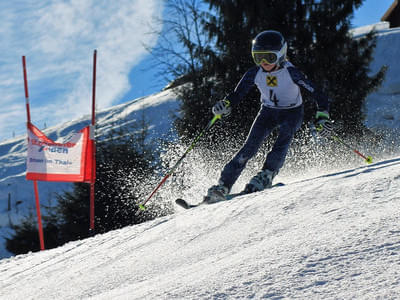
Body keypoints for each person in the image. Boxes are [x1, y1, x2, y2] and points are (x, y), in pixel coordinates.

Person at [206, 30, 333, 203]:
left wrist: (322, 114)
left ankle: (267, 174)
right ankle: (224, 184)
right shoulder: (254, 73)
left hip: (292, 112)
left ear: (280, 55)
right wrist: (225, 105)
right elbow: (238, 94)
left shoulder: (292, 72)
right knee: (249, 148)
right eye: (258, 58)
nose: (264, 63)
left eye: (269, 58)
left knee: (284, 138)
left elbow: (318, 93)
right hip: (267, 112)